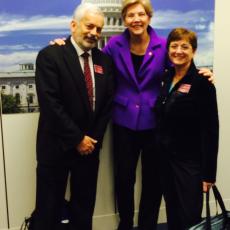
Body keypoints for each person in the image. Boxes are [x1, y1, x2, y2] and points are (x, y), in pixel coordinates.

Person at [51, 1, 214, 229]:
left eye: (141, 14)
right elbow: (89, 52)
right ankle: (125, 224)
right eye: (130, 15)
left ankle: (147, 225)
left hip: (155, 123)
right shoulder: (114, 45)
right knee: (124, 180)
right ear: (124, 19)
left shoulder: (162, 44)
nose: (136, 19)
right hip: (123, 121)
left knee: (153, 181)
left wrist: (201, 73)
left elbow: (182, 65)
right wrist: (62, 44)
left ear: (148, 17)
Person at [33, 3, 113, 230]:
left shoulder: (104, 62)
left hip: (89, 149)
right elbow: (50, 104)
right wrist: (78, 138)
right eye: (90, 26)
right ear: (73, 25)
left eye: (98, 29)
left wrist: (91, 140)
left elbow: (107, 105)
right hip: (56, 147)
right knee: (48, 210)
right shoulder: (50, 56)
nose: (94, 33)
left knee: (84, 208)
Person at [154, 28, 219, 230]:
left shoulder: (202, 82)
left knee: (190, 217)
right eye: (174, 46)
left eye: (185, 46)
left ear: (194, 51)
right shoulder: (166, 78)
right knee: (172, 213)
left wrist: (209, 173)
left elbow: (211, 130)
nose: (178, 51)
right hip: (165, 160)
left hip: (190, 164)